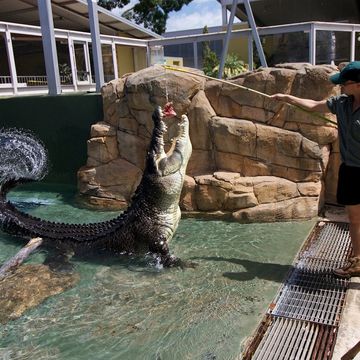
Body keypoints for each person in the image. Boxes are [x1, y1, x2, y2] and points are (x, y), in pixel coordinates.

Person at [270, 61, 360, 278]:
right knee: (355, 219)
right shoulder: (342, 103)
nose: (340, 87)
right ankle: (358, 261)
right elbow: (312, 105)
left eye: (343, 84)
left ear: (357, 84)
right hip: (350, 170)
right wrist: (286, 98)